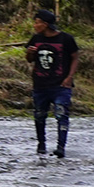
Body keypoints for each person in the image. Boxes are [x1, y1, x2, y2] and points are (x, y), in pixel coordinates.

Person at [25, 9, 80, 157]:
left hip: (60, 85)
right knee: (39, 115)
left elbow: (75, 57)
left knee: (62, 114)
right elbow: (29, 59)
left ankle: (61, 146)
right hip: (40, 84)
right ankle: (41, 144)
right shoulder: (35, 39)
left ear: (46, 24)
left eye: (37, 22)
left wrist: (70, 77)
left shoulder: (66, 39)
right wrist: (30, 53)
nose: (35, 25)